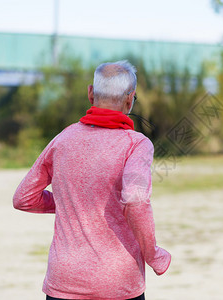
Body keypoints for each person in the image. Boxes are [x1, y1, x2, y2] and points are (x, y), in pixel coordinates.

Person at [13, 60, 171, 300]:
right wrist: (153, 255)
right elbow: (136, 200)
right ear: (130, 99)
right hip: (118, 285)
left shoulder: (62, 140)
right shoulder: (136, 144)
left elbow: (23, 198)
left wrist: (72, 201)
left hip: (63, 282)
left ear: (90, 94)